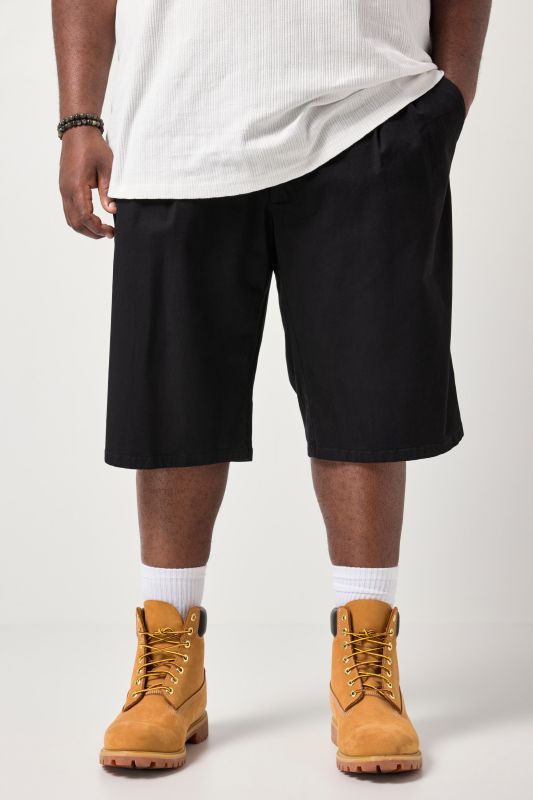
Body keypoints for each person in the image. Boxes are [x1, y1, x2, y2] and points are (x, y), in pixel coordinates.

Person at [52, 0, 491, 775]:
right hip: (177, 116)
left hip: (370, 107)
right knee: (174, 401)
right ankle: (170, 659)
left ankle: (366, 664)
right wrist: (79, 116)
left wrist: (451, 92)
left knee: (366, 395)